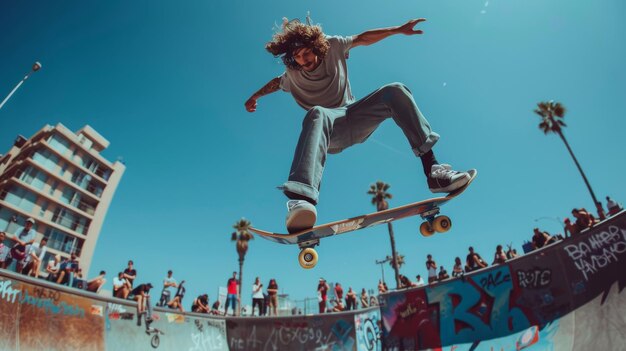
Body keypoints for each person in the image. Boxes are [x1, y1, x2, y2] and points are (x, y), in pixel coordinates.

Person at [245, 16, 474, 233]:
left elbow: (362, 38)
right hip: (329, 132)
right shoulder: (292, 74)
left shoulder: (333, 45)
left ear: (316, 47)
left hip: (355, 116)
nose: (304, 60)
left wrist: (397, 30)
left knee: (394, 90)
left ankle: (433, 171)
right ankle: (302, 201)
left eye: (307, 53)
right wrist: (255, 96)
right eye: (298, 56)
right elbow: (276, 83)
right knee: (318, 113)